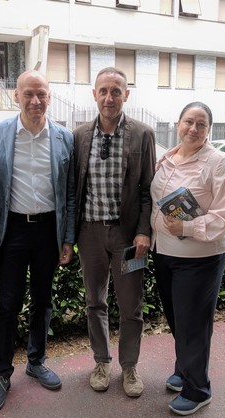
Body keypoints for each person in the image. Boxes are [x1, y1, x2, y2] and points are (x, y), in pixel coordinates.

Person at [0, 70, 75, 413]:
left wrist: (67, 238)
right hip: (14, 231)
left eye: (42, 94)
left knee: (43, 300)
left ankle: (36, 361)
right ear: (16, 96)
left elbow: (70, 193)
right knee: (7, 305)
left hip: (48, 230)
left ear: (49, 96)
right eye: (28, 94)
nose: (35, 101)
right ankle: (2, 373)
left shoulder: (65, 137)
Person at [150, 101, 225, 415]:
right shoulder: (168, 157)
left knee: (193, 324)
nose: (194, 129)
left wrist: (188, 226)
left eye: (201, 124)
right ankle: (184, 369)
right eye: (189, 122)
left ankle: (198, 388)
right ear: (178, 124)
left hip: (200, 258)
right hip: (165, 253)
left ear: (208, 130)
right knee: (177, 319)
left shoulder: (218, 163)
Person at [74, 67, 156, 398]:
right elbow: (72, 191)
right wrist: (70, 236)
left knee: (131, 305)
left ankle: (130, 366)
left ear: (126, 95)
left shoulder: (142, 134)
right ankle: (101, 361)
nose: (110, 97)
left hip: (128, 239)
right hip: (90, 235)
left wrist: (143, 232)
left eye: (116, 91)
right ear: (94, 94)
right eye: (103, 91)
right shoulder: (79, 135)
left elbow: (149, 189)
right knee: (95, 301)